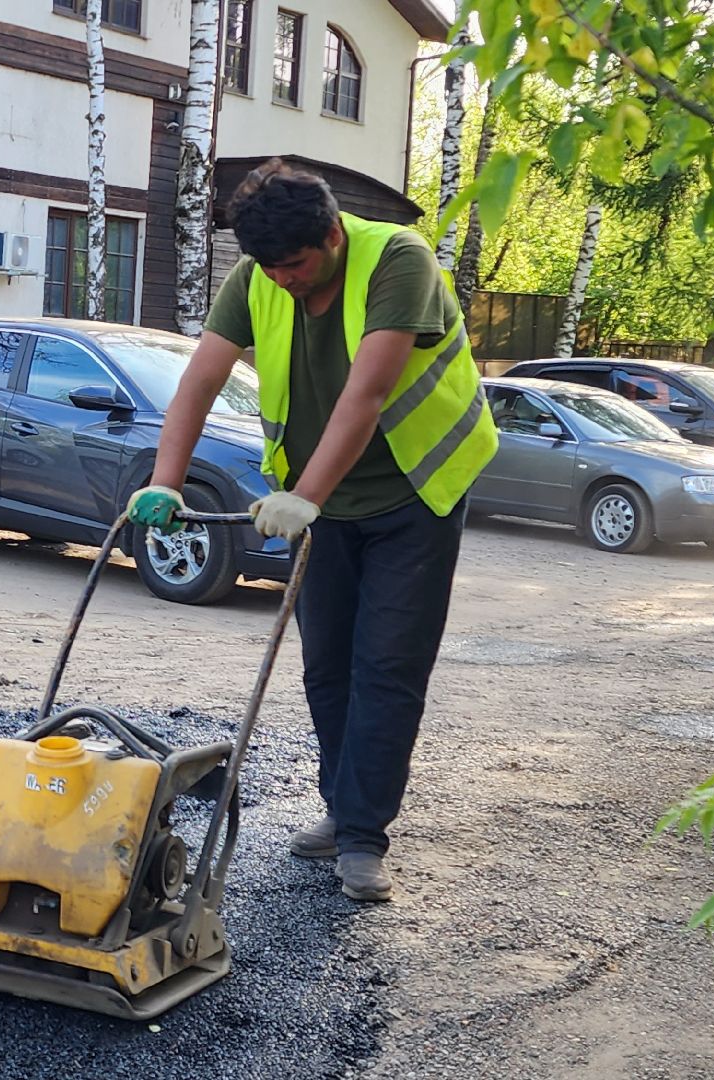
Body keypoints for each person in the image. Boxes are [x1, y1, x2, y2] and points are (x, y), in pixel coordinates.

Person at [127, 159, 497, 902]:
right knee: (326, 665)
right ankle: (341, 807)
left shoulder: (399, 260)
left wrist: (306, 496)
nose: (283, 280)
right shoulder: (261, 274)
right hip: (321, 504)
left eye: (293, 265)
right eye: (269, 267)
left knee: (387, 666)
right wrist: (166, 480)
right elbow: (200, 379)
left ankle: (364, 836)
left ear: (330, 236)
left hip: (414, 490)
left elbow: (369, 392)